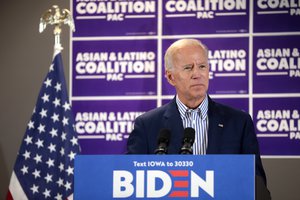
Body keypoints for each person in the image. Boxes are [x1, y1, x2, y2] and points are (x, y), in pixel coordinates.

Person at [127, 38, 269, 191]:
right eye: (188, 68)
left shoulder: (239, 123)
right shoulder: (147, 125)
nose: (197, 74)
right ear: (170, 77)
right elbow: (131, 182)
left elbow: (256, 184)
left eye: (202, 66)